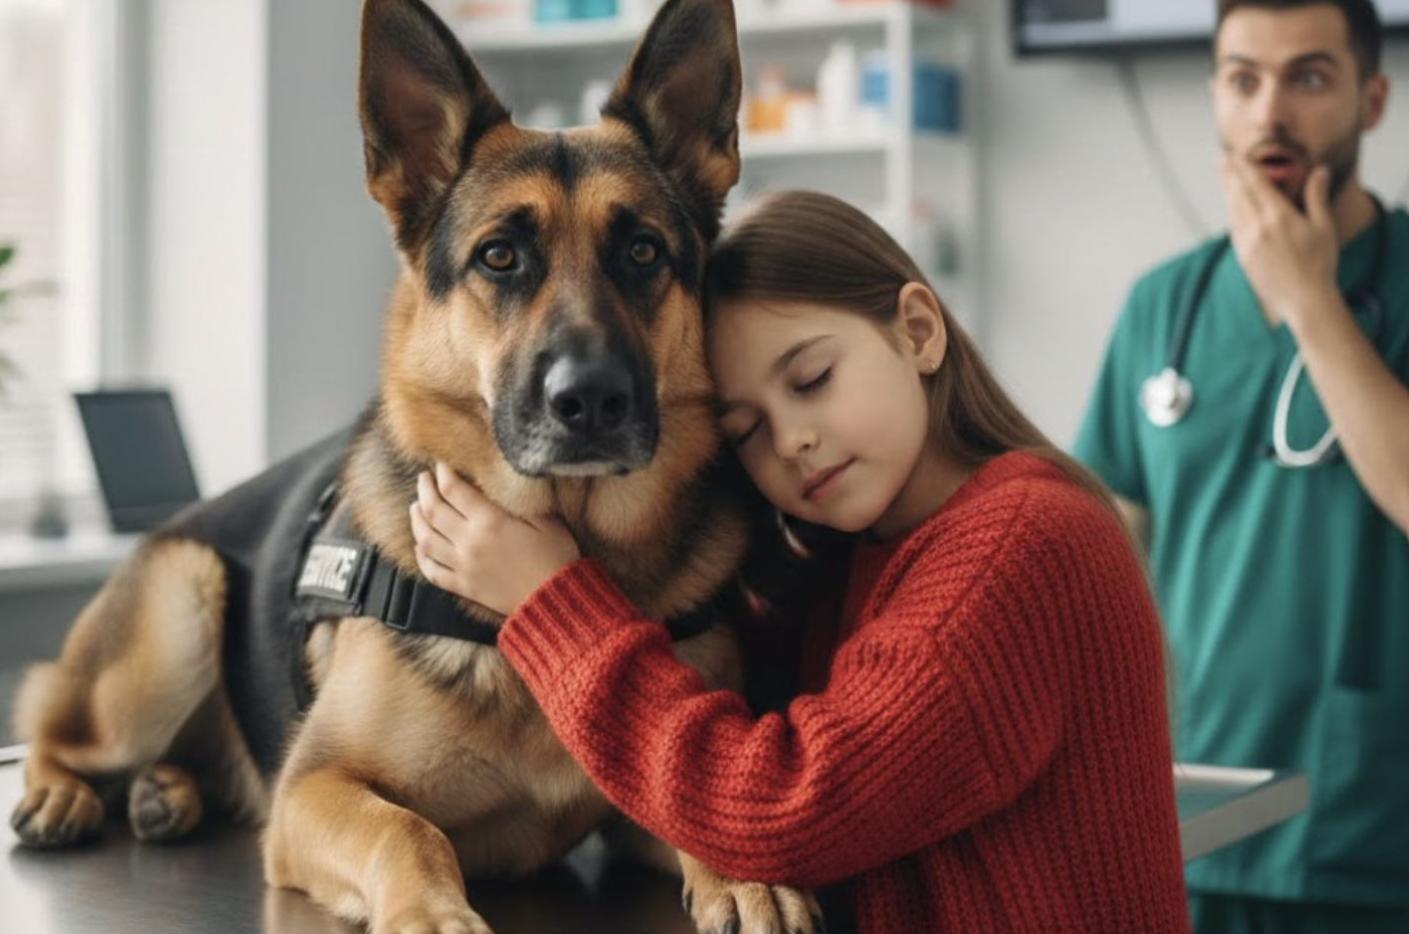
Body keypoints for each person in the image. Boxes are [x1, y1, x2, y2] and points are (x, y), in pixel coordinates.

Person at [409, 189, 1191, 933]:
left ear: (918, 331)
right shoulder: (856, 550)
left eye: (812, 379)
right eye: (746, 429)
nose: (791, 441)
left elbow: (788, 808)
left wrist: (550, 601)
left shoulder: (1022, 544)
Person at [1074, 0, 1409, 934]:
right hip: (1180, 819)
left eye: (1307, 77)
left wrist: (1310, 301)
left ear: (1369, 100)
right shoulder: (1161, 306)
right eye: (1240, 79)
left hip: (1365, 835)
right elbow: (1098, 551)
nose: (1270, 112)